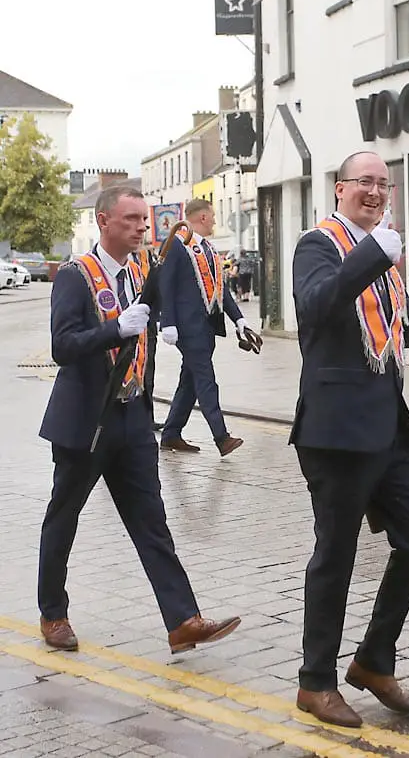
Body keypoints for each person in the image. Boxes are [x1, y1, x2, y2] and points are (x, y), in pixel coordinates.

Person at [37, 185, 240, 653]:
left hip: (132, 418)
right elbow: (62, 346)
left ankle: (182, 619)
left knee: (152, 523)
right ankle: (53, 613)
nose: (140, 227)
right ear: (104, 221)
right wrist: (114, 328)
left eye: (144, 220)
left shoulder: (140, 272)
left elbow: (144, 342)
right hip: (86, 421)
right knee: (63, 519)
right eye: (129, 219)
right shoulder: (76, 276)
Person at [290, 151, 409, 728]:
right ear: (339, 189)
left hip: (389, 427)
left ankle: (374, 661)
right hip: (336, 431)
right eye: (364, 183)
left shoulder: (388, 251)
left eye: (383, 184)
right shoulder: (318, 244)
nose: (374, 193)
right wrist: (372, 253)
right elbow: (317, 307)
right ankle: (315, 683)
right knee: (337, 555)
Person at [160, 199, 247, 456]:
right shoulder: (177, 244)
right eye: (213, 216)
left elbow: (221, 289)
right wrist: (168, 323)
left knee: (190, 382)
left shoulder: (208, 247)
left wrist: (239, 320)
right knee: (206, 379)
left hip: (207, 325)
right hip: (187, 328)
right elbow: (166, 284)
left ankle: (171, 434)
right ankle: (221, 437)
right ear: (203, 218)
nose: (215, 221)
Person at [133, 245, 163, 431]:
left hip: (148, 323)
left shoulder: (148, 256)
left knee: (148, 372)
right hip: (126, 322)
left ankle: (147, 419)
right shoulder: (120, 257)